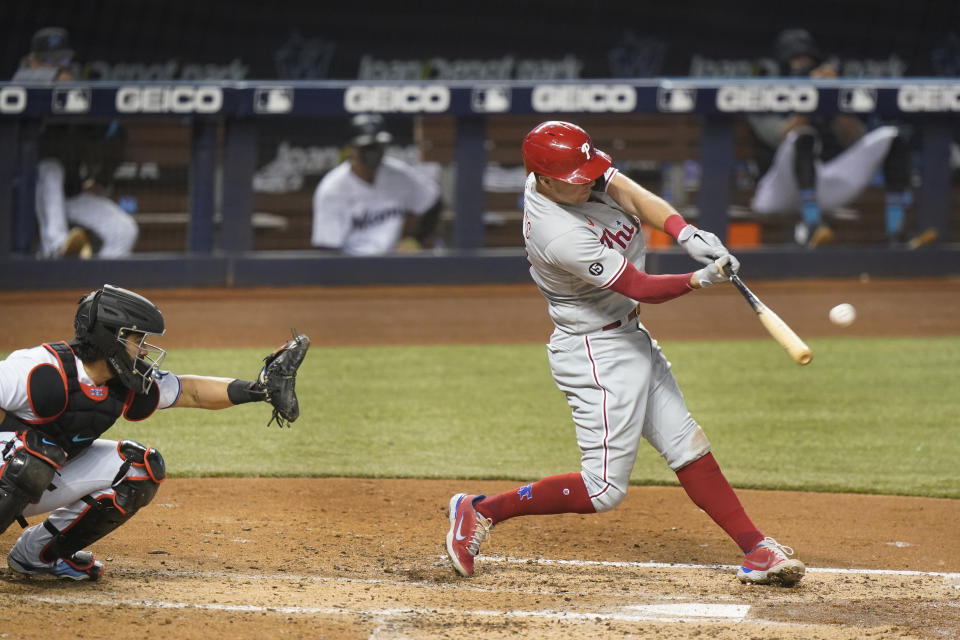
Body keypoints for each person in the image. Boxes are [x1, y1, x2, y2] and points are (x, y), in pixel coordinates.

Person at [445, 121, 805, 587]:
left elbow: (631, 193)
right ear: (546, 180)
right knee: (602, 491)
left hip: (629, 336)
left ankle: (756, 549)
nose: (590, 181)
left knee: (687, 446)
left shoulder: (571, 174)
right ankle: (479, 510)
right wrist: (700, 279)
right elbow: (640, 287)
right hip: (595, 351)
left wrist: (684, 231)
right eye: (578, 179)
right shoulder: (557, 233)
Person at [0, 285, 308, 580]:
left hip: (39, 474)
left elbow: (190, 392)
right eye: (138, 339)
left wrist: (258, 390)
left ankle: (38, 555)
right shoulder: (39, 369)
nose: (146, 348)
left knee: (139, 470)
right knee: (30, 461)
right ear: (112, 338)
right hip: (15, 470)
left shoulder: (125, 381)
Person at [749, 28, 923, 248]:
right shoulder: (764, 91)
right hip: (777, 190)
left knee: (891, 136)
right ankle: (812, 227)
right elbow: (780, 136)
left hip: (824, 184)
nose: (803, 64)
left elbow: (857, 138)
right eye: (795, 59)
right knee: (802, 137)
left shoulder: (825, 90)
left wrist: (833, 97)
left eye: (807, 59)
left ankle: (896, 232)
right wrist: (809, 99)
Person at [13, 27, 139, 259]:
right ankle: (56, 249)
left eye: (62, 60)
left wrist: (102, 179)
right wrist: (54, 83)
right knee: (50, 168)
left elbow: (115, 131)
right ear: (32, 61)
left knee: (124, 230)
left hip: (68, 193)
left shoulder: (77, 94)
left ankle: (98, 291)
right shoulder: (16, 89)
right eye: (49, 61)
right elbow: (26, 84)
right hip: (21, 197)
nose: (58, 67)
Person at [311, 114, 442, 255]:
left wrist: (416, 240)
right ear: (352, 149)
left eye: (378, 146)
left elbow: (434, 202)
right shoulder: (332, 188)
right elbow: (328, 248)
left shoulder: (399, 175)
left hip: (392, 264)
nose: (373, 153)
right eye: (367, 147)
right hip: (351, 267)